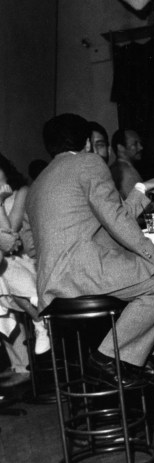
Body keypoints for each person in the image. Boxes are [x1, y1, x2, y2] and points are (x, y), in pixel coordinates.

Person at [26, 114, 154, 387]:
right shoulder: (88, 162)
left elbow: (105, 221)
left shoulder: (38, 183)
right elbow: (115, 220)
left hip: (52, 286)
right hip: (83, 276)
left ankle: (134, 362)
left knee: (140, 283)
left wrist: (140, 191)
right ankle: (107, 359)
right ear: (88, 143)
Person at [0, 154, 49, 384]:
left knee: (4, 274)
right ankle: (20, 363)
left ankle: (40, 322)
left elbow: (12, 228)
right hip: (8, 261)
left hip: (28, 261)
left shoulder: (22, 192)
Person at [110, 128, 144, 199]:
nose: (141, 147)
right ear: (120, 148)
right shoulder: (126, 171)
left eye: (140, 143)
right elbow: (137, 204)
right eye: (135, 144)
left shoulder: (118, 168)